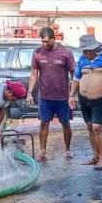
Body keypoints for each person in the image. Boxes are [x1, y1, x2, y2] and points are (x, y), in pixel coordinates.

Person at [26, 27, 76, 161]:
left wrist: (74, 94)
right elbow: (34, 74)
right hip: (45, 97)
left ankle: (68, 149)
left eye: (47, 41)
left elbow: (73, 74)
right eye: (42, 41)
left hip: (63, 96)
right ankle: (42, 151)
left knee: (65, 123)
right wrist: (29, 92)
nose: (44, 44)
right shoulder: (37, 53)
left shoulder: (66, 53)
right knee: (44, 124)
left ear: (54, 39)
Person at [69, 34, 102, 170]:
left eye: (85, 51)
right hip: (84, 99)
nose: (84, 53)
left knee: (98, 127)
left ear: (92, 49)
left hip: (101, 98)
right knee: (90, 127)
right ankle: (95, 156)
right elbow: (76, 78)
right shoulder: (83, 59)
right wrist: (71, 95)